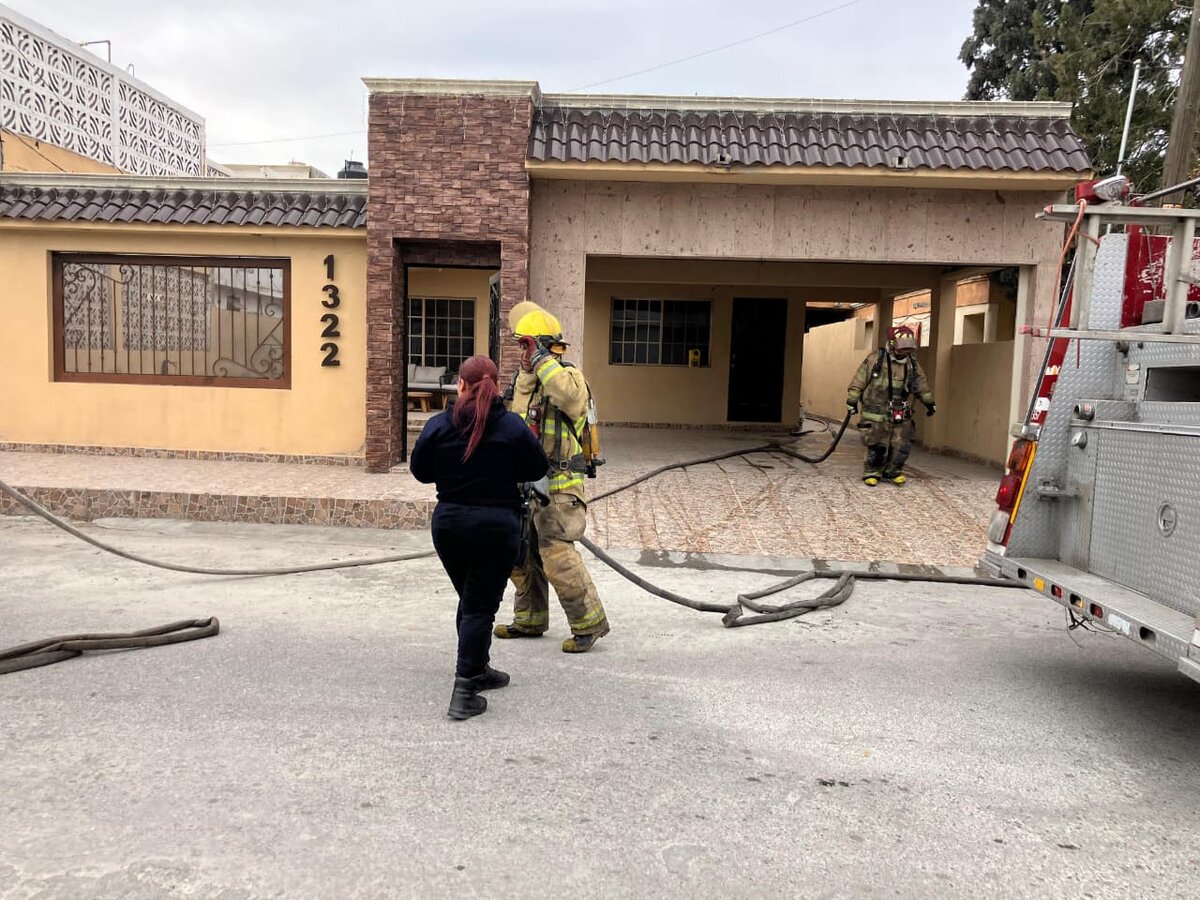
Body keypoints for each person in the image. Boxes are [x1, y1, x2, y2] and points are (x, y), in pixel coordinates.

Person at [410, 355, 550, 721]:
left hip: (450, 526)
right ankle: (465, 690)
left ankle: (479, 667)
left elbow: (420, 472)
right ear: (494, 383)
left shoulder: (440, 425)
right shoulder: (514, 428)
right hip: (495, 527)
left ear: (461, 384)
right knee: (478, 607)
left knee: (472, 600)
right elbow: (537, 468)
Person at [494, 301, 611, 653]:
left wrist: (542, 358)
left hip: (560, 488)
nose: (521, 352)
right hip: (526, 487)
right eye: (520, 346)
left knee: (557, 556)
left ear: (544, 345)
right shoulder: (523, 382)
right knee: (522, 556)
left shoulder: (569, 377)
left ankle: (588, 625)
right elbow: (516, 418)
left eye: (526, 344)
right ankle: (530, 620)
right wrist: (529, 371)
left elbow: (568, 396)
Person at [845, 325, 936, 487]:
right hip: (875, 412)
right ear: (892, 344)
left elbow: (921, 385)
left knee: (901, 443)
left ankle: (894, 472)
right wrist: (852, 401)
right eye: (902, 349)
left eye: (908, 349)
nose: (905, 352)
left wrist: (929, 403)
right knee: (876, 443)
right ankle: (872, 472)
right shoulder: (875, 359)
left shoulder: (912, 365)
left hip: (900, 412)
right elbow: (859, 380)